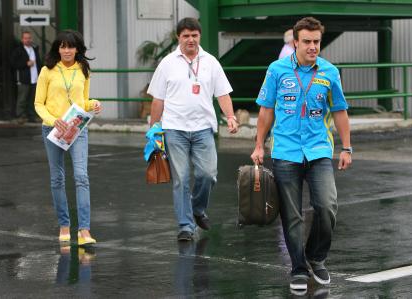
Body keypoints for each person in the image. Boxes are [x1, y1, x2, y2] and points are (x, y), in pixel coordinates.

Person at [251, 17, 352, 293]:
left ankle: (316, 257)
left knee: (327, 206)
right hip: (285, 150)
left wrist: (346, 147)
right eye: (306, 41)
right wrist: (259, 144)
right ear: (295, 42)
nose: (312, 47)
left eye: (316, 41)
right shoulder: (277, 70)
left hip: (319, 149)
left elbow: (340, 111)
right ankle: (297, 267)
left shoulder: (329, 72)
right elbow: (266, 110)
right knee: (292, 215)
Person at [147, 17, 238, 242]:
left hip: (203, 128)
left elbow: (223, 93)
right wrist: (153, 129)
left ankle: (197, 209)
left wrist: (231, 116)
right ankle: (186, 226)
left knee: (207, 175)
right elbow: (158, 99)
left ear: (199, 36)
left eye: (194, 35)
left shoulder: (211, 62)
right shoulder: (167, 63)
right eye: (186, 35)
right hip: (174, 129)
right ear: (179, 37)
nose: (190, 40)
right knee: (181, 179)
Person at [34, 30, 102, 246]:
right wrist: (54, 120)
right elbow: (38, 104)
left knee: (81, 177)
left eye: (70, 46)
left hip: (77, 128)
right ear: (57, 48)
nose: (66, 50)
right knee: (57, 178)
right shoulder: (47, 71)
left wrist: (94, 104)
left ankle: (84, 230)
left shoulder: (83, 69)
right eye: (62, 46)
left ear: (77, 48)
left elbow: (83, 100)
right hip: (52, 130)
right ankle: (64, 225)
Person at [10, 31, 42, 124]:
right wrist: (25, 64)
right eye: (25, 38)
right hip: (23, 79)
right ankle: (20, 117)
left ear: (31, 39)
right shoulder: (18, 50)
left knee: (33, 99)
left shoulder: (34, 49)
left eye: (29, 38)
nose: (27, 40)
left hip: (35, 79)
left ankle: (32, 116)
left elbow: (39, 63)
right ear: (22, 40)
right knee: (22, 99)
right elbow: (13, 63)